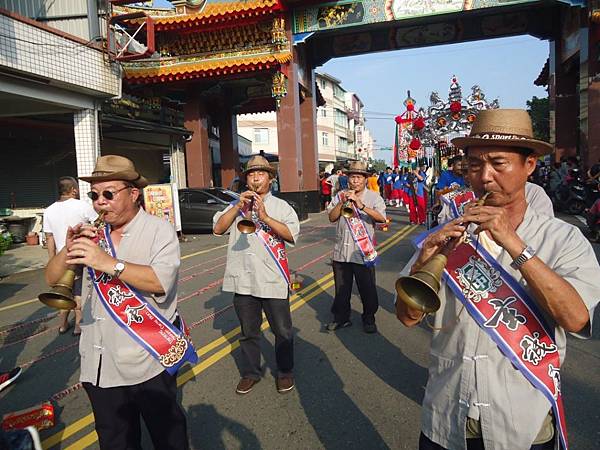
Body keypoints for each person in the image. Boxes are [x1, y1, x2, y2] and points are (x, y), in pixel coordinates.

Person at [396, 109, 600, 450]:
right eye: (475, 165)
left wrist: (513, 243)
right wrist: (424, 258)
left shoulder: (564, 239)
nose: (485, 177)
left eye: (499, 163)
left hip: (522, 424)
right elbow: (407, 316)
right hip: (446, 418)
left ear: (530, 165)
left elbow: (576, 318)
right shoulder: (449, 234)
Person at [45, 155, 195, 449]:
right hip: (98, 362)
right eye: (94, 195)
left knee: (169, 437)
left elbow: (160, 282)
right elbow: (52, 279)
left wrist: (107, 262)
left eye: (109, 194)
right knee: (115, 441)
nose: (100, 202)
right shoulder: (93, 231)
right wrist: (68, 247)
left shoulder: (158, 230)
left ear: (133, 193)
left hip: (148, 360)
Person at [213, 155, 300, 395]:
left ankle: (284, 371)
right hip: (243, 281)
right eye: (251, 174)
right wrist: (237, 208)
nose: (255, 178)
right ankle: (251, 373)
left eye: (260, 174)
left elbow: (292, 235)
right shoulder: (235, 205)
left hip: (273, 280)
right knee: (248, 332)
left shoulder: (282, 207)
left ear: (270, 179)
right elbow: (218, 229)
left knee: (282, 331)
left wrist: (265, 218)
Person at [326, 160, 387, 333]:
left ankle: (369, 317)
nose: (355, 181)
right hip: (341, 252)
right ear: (348, 178)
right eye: (353, 177)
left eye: (359, 177)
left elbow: (382, 218)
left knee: (366, 288)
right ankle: (341, 318)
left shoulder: (374, 197)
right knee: (341, 289)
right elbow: (331, 217)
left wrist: (361, 206)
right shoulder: (339, 195)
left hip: (362, 251)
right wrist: (342, 202)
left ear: (365, 179)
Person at [43, 176, 97, 336]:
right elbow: (98, 226)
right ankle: (78, 326)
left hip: (61, 258)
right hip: (80, 255)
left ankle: (62, 325)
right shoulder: (83, 206)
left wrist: (52, 261)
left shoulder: (49, 210)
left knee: (63, 291)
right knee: (79, 291)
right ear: (73, 190)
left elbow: (49, 238)